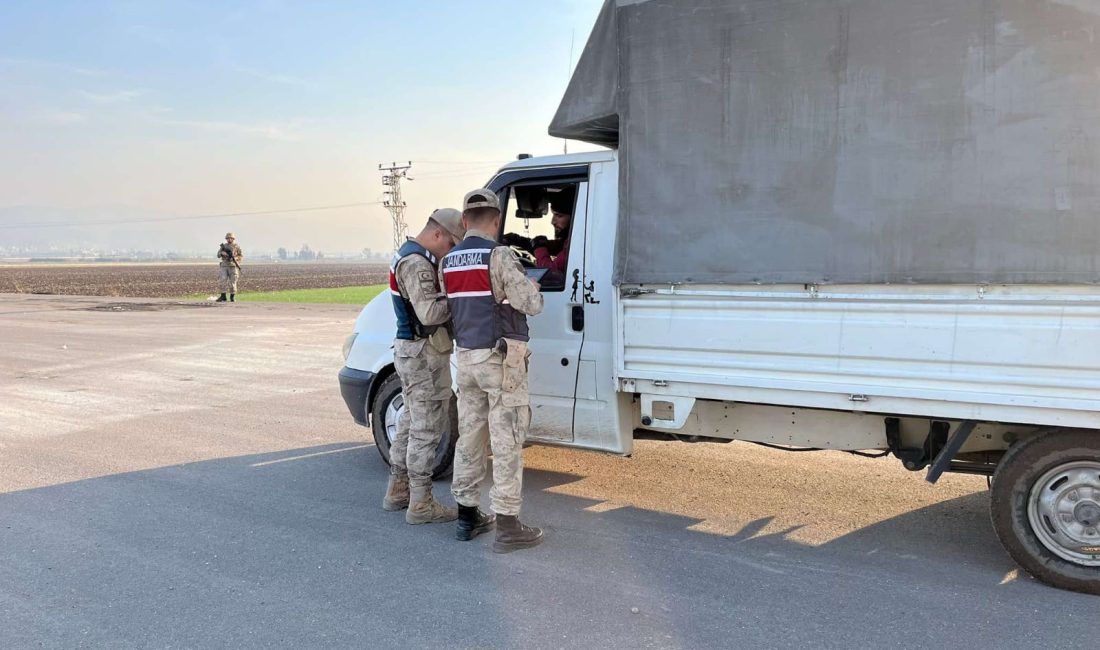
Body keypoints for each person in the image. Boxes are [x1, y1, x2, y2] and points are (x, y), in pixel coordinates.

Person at [441, 188, 545, 552]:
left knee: (469, 438)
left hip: (466, 359)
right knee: (506, 441)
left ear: (465, 222)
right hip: (499, 360)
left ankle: (467, 517)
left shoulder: (449, 261)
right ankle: (508, 524)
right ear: (497, 220)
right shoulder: (498, 255)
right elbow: (530, 304)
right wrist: (532, 286)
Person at [384, 208, 467, 525]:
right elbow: (430, 314)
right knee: (426, 428)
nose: (451, 252)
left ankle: (398, 491)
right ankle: (421, 504)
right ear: (437, 235)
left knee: (409, 422)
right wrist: (461, 296)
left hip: (413, 351)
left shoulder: (409, 254)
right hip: (423, 353)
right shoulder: (417, 263)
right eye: (450, 245)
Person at [531, 204, 571, 273]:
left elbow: (549, 272)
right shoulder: (575, 239)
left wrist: (539, 247)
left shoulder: (576, 243)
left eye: (559, 216)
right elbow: (560, 246)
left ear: (573, 216)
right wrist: (522, 241)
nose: (553, 222)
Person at [216, 233, 243, 302]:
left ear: (233, 239)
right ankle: (223, 296)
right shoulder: (223, 246)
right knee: (222, 280)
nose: (229, 239)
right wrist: (222, 253)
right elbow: (218, 254)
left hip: (233, 266)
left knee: (233, 282)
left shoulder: (237, 247)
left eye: (230, 238)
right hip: (224, 266)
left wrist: (235, 258)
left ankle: (232, 296)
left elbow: (241, 256)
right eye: (228, 238)